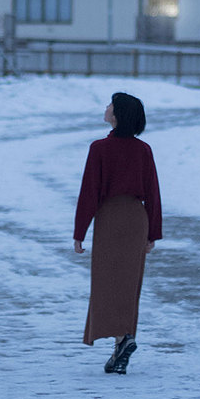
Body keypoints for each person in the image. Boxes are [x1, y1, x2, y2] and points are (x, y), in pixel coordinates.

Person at [73, 90, 162, 374]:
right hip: (137, 218)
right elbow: (153, 194)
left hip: (110, 218)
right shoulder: (143, 150)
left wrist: (80, 231)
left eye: (110, 104)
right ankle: (122, 343)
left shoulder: (99, 149)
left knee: (106, 283)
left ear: (118, 114)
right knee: (128, 284)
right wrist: (153, 233)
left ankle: (122, 340)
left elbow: (90, 193)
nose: (106, 107)